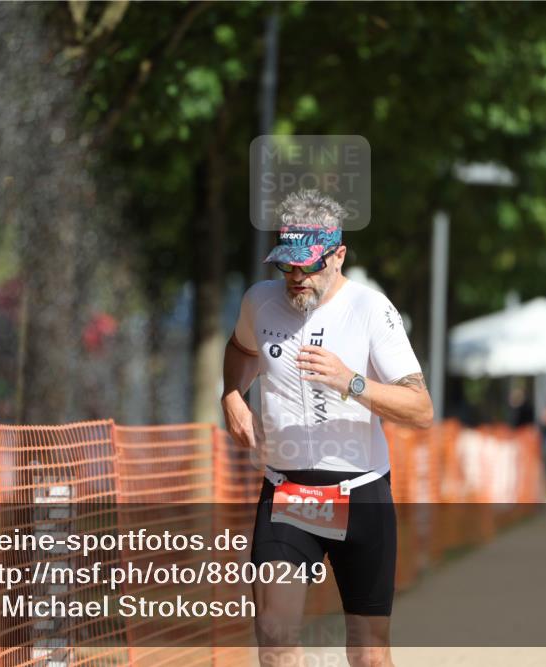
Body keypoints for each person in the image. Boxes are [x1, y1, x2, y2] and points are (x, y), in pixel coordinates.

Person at [222, 189, 432, 667]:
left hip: (361, 493)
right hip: (288, 492)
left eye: (308, 266)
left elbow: (421, 410)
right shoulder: (261, 302)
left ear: (338, 256)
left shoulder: (371, 310)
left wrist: (351, 381)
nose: (296, 279)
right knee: (274, 638)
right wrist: (231, 396)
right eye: (286, 266)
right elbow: (240, 350)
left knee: (369, 654)